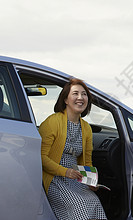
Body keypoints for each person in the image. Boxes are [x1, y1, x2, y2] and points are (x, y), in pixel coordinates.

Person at [39, 78, 107, 220]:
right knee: (80, 204)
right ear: (65, 99)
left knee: (95, 202)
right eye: (75, 93)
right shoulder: (52, 122)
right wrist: (65, 172)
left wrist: (91, 182)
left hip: (75, 178)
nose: (80, 98)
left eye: (84, 94)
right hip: (55, 178)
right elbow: (41, 158)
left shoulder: (86, 128)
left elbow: (87, 162)